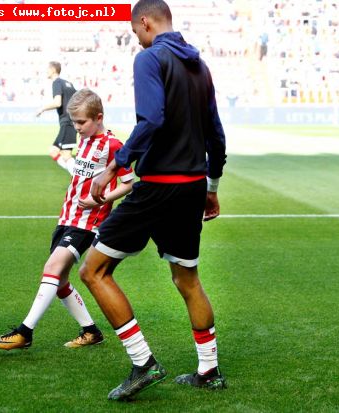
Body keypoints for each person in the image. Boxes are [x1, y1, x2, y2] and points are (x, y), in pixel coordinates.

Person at [78, 0, 227, 401]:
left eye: (134, 31)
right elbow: (215, 132)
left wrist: (114, 166)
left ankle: (143, 363)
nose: (136, 39)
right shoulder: (200, 65)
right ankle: (209, 370)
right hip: (193, 185)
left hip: (158, 186)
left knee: (93, 271)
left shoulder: (149, 59)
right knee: (187, 278)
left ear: (144, 22)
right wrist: (211, 187)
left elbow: (152, 120)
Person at [0, 88, 134, 351]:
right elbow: (82, 174)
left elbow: (128, 184)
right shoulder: (86, 140)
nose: (77, 128)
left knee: (53, 269)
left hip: (87, 223)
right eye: (74, 123)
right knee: (60, 282)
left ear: (98, 117)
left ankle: (25, 333)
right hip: (66, 217)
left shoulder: (113, 145)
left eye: (81, 122)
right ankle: (91, 332)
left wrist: (99, 200)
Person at [36, 61, 77, 174]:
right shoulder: (68, 83)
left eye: (47, 69)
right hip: (71, 121)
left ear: (53, 70)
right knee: (58, 153)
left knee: (64, 154)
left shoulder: (57, 82)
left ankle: (80, 180)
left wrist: (42, 108)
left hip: (67, 122)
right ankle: (78, 178)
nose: (46, 71)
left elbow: (57, 102)